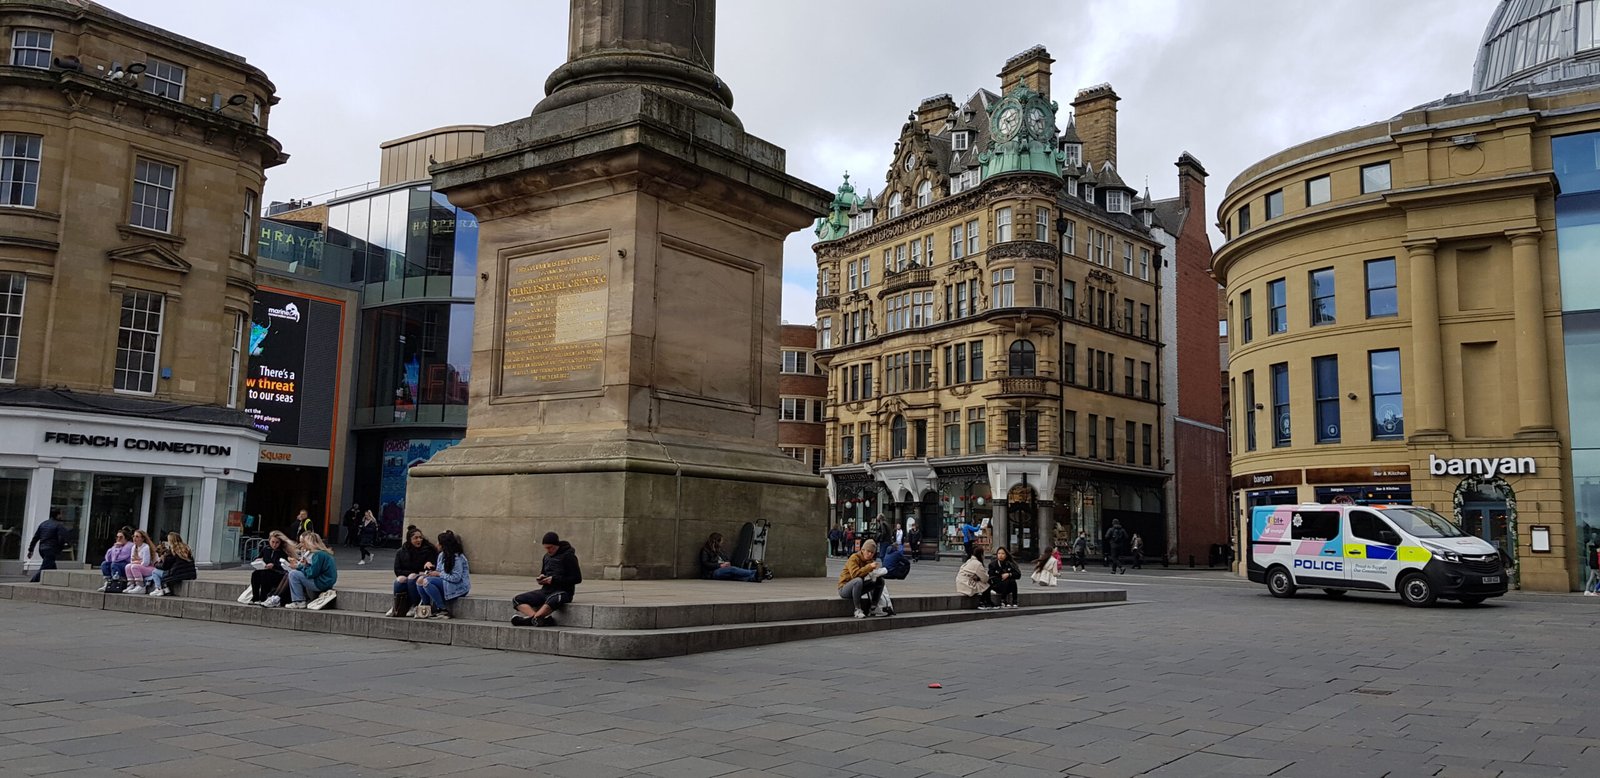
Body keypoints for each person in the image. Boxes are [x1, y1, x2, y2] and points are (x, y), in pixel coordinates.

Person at [511, 532, 582, 627]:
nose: (548, 550)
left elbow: (577, 578)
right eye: (546, 548)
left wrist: (554, 580)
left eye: (550, 547)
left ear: (556, 545)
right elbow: (544, 573)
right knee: (517, 600)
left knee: (552, 600)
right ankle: (536, 619)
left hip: (563, 591)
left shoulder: (568, 556)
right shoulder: (546, 557)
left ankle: (528, 621)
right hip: (545, 590)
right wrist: (541, 579)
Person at [415, 530, 469, 619]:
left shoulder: (457, 558)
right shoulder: (442, 555)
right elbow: (439, 571)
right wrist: (431, 573)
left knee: (427, 582)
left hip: (458, 586)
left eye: (438, 542)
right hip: (446, 581)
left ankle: (442, 609)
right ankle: (426, 607)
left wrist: (439, 574)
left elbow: (456, 578)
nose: (437, 544)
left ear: (444, 545)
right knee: (420, 580)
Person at [388, 526, 438, 616]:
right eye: (415, 538)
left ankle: (414, 604)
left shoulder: (428, 550)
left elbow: (431, 568)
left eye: (420, 537)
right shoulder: (401, 552)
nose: (419, 540)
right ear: (409, 539)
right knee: (400, 579)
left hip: (422, 575)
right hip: (410, 574)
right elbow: (397, 570)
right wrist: (414, 572)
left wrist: (426, 568)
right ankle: (396, 605)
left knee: (412, 577)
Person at [282, 532, 337, 609]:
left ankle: (299, 601)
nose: (301, 545)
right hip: (325, 581)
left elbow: (311, 573)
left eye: (303, 542)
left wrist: (303, 567)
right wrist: (304, 566)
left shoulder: (318, 554)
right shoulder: (322, 553)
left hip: (321, 582)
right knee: (295, 573)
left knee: (293, 574)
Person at [837, 539, 888, 618]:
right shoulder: (854, 558)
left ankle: (873, 608)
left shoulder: (869, 561)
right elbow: (855, 574)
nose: (870, 554)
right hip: (844, 588)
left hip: (857, 588)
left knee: (880, 581)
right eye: (868, 551)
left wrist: (877, 573)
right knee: (858, 580)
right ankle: (857, 609)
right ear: (863, 550)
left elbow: (871, 576)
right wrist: (869, 567)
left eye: (872, 553)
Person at [250, 531, 296, 604]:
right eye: (273, 542)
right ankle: (255, 597)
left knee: (265, 575)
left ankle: (263, 597)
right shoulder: (266, 549)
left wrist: (274, 565)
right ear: (269, 541)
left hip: (278, 573)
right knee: (255, 574)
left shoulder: (283, 551)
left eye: (277, 542)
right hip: (265, 569)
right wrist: (258, 560)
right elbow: (260, 557)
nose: (274, 545)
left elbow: (284, 564)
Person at [26, 507, 69, 583]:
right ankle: (32, 581)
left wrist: (30, 550)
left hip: (42, 548)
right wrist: (61, 547)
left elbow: (35, 538)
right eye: (60, 514)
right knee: (45, 567)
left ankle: (57, 580)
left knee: (51, 565)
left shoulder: (43, 524)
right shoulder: (59, 525)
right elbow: (62, 538)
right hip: (51, 548)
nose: (62, 516)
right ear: (57, 515)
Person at [122, 529, 157, 594]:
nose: (134, 538)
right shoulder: (134, 547)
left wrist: (137, 561)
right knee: (127, 566)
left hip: (151, 568)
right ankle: (131, 585)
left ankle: (140, 586)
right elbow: (131, 561)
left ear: (142, 538)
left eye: (137, 536)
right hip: (141, 567)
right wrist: (139, 561)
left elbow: (146, 563)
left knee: (134, 567)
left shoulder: (146, 547)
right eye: (134, 536)